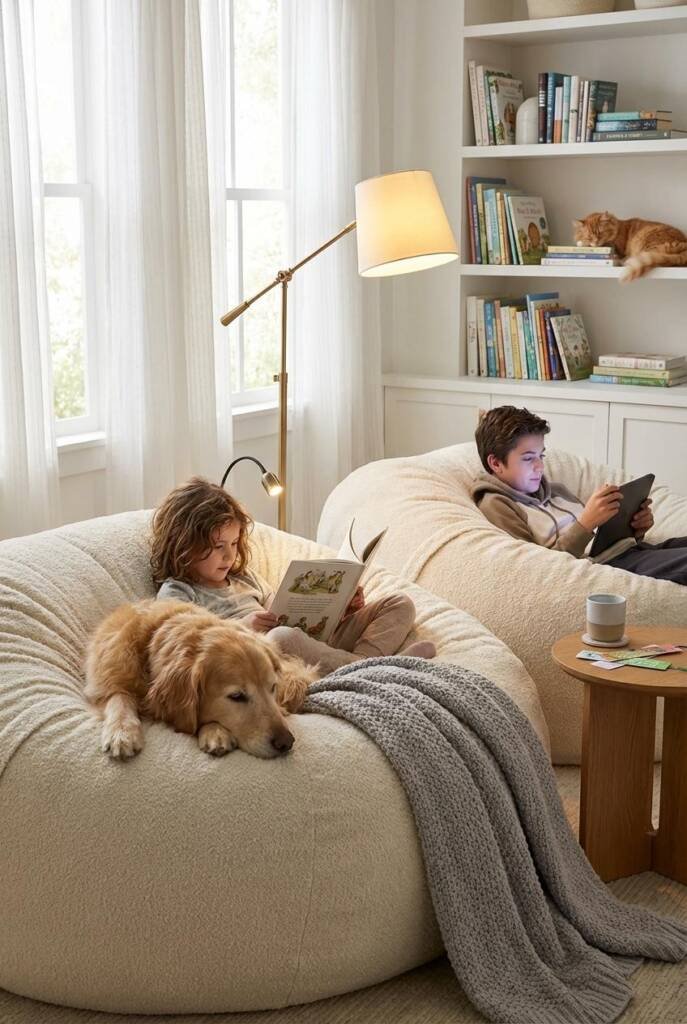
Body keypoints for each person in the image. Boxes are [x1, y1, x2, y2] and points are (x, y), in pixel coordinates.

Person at [150, 477, 435, 674]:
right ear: (184, 544)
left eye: (234, 543)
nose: (229, 555)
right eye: (217, 546)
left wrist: (338, 606)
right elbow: (185, 645)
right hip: (266, 656)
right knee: (281, 637)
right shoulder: (178, 592)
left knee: (399, 603)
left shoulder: (244, 577)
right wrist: (243, 628)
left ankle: (364, 664)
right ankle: (377, 669)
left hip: (313, 644)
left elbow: (282, 609)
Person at [471, 406, 687, 585]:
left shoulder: (556, 491)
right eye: (528, 458)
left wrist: (635, 528)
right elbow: (535, 569)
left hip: (630, 550)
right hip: (608, 567)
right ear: (496, 463)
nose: (540, 467)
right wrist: (585, 524)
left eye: (541, 456)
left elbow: (598, 539)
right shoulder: (497, 504)